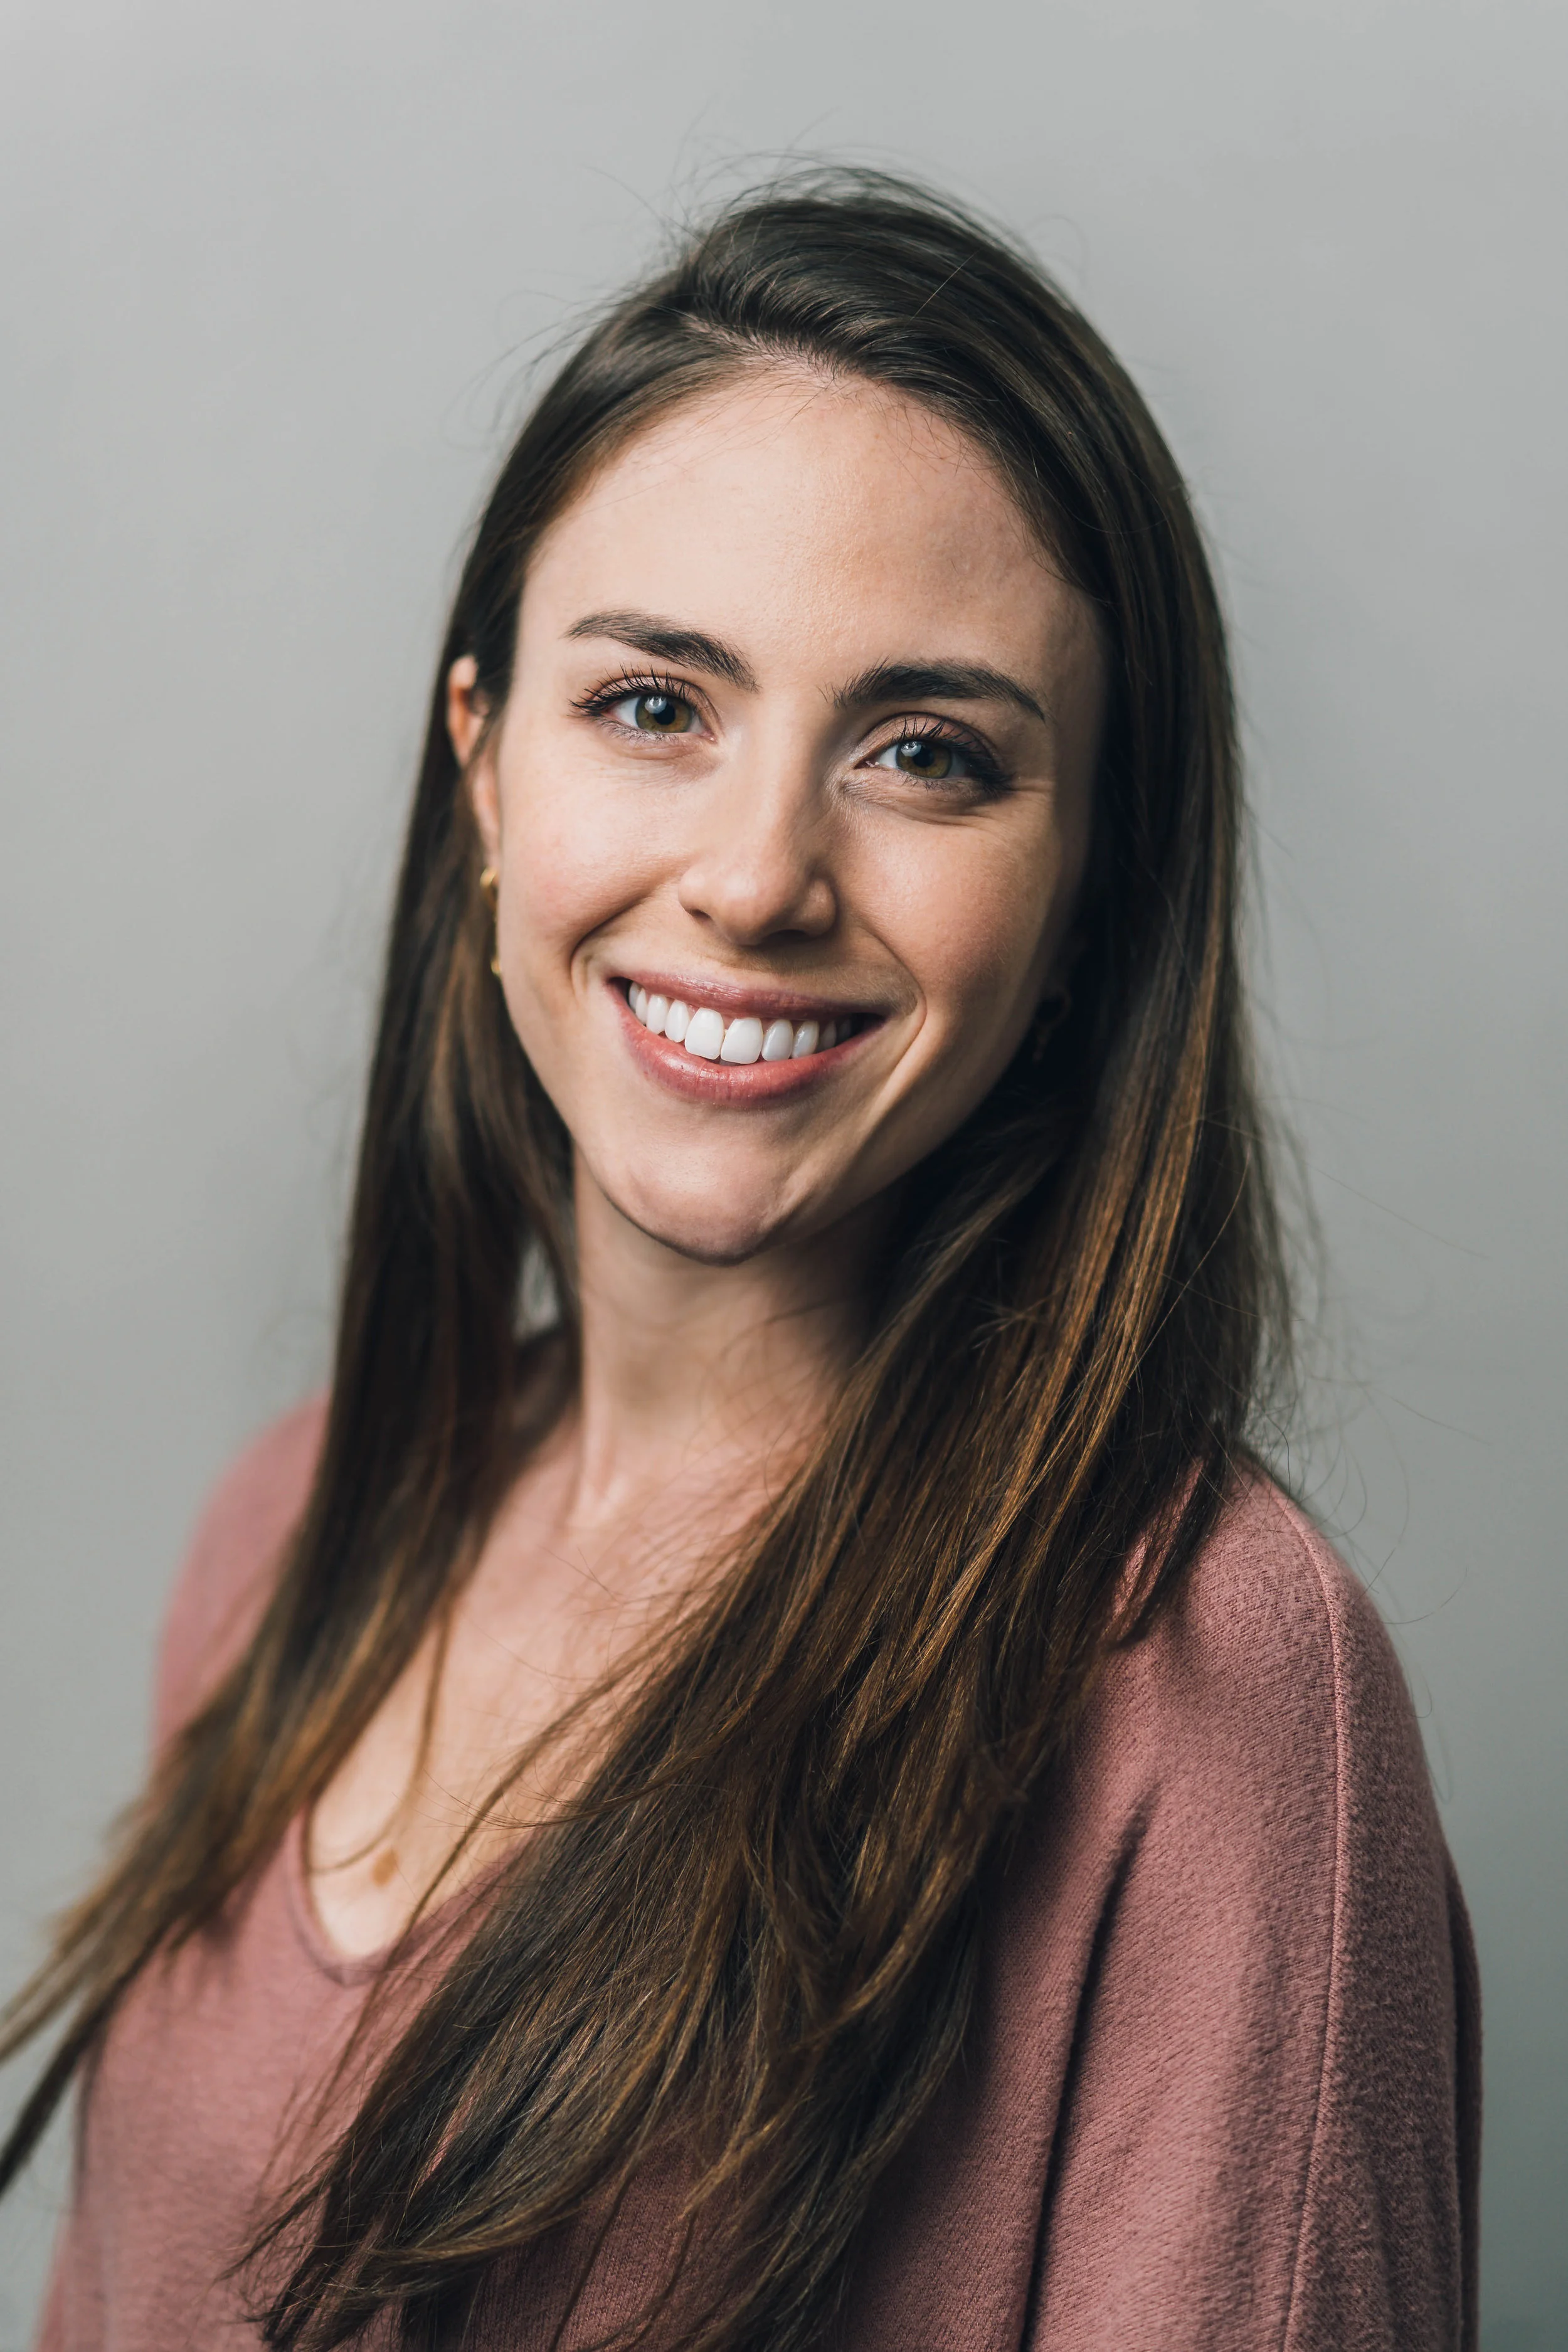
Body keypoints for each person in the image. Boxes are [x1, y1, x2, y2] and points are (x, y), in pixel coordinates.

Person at [2, 171, 1478, 2351]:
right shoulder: (294, 1531)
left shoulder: (1209, 1683)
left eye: (923, 755)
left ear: (1085, 900)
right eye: (656, 706)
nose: (761, 874)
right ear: (485, 761)